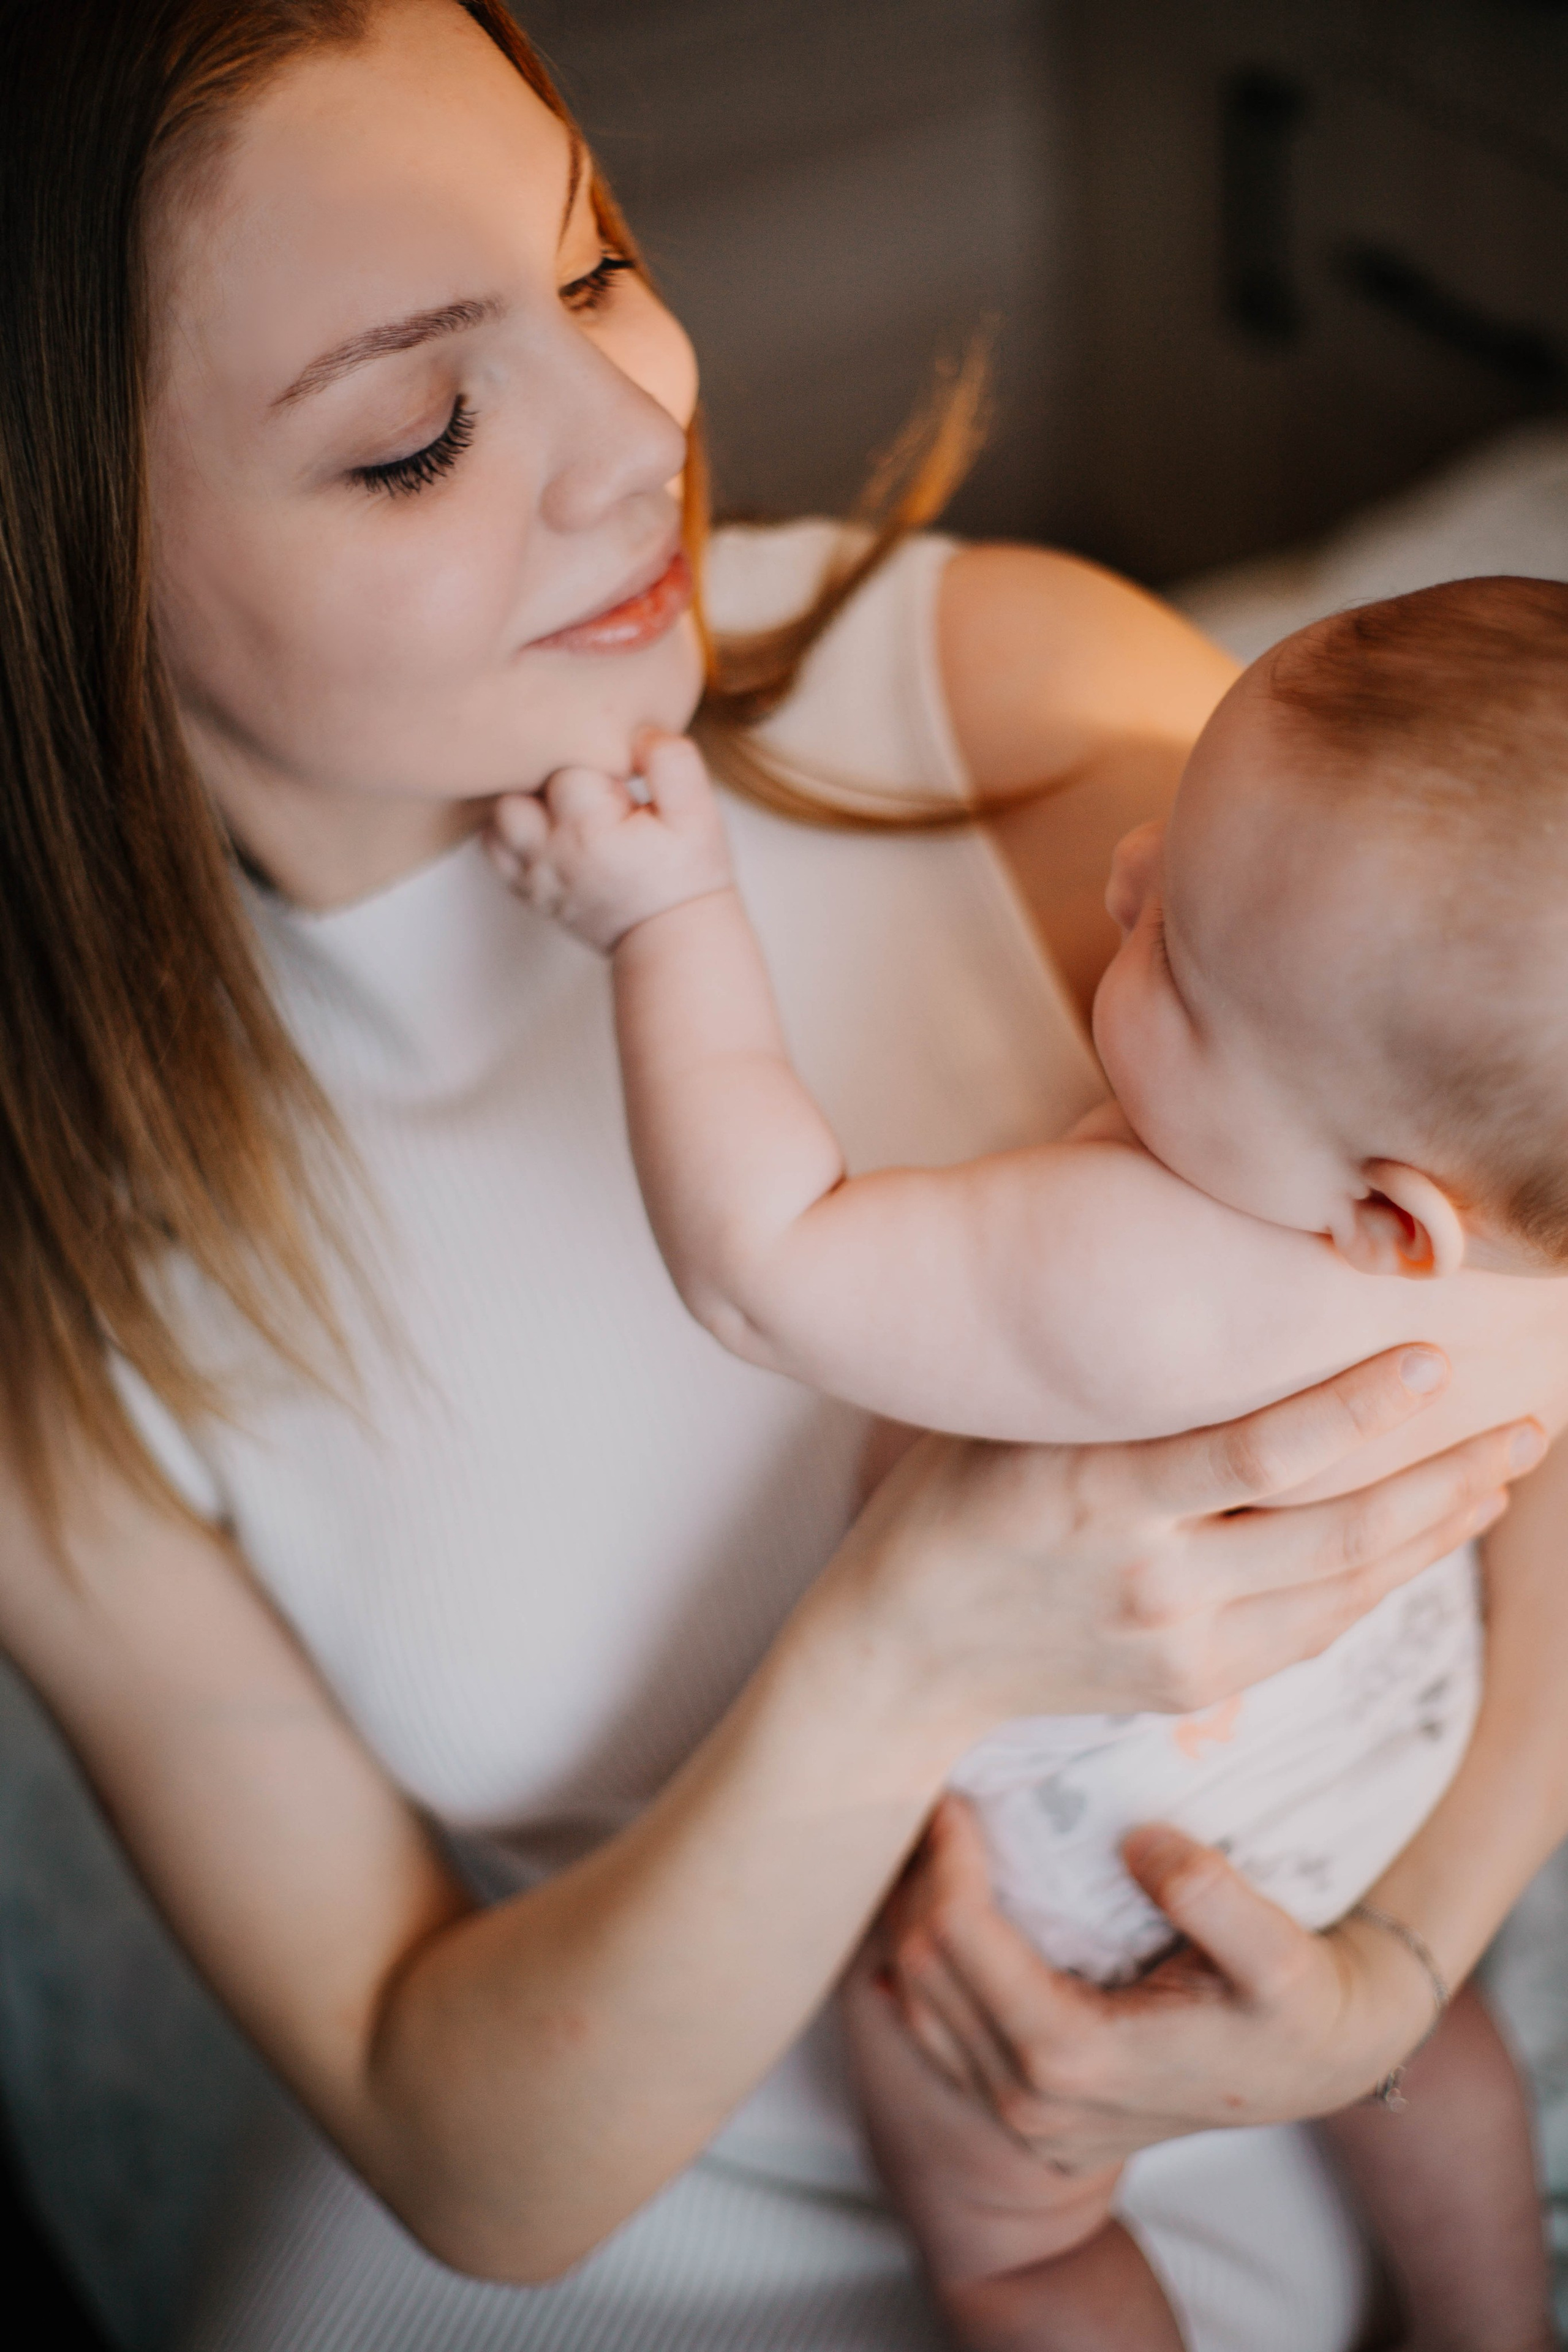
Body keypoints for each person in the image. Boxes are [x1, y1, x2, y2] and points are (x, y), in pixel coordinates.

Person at [0, 6, 1560, 2350]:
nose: (643, 442)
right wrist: (907, 1639)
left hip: (1181, 2121)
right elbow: (461, 2153)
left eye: (598, 262)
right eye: (419, 434)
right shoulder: (58, 1265)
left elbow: (1527, 1351)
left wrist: (1389, 1973)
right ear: (71, 569)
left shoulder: (1032, 727)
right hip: (607, 2194)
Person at [492, 574, 1568, 2345]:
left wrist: (666, 917)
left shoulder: (1154, 1280)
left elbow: (769, 1269)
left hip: (1082, 1895)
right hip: (1382, 1795)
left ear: (1384, 1219)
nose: (1126, 877)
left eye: (1182, 961)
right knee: (1441, 2070)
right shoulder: (1518, 1261)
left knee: (1021, 2250)